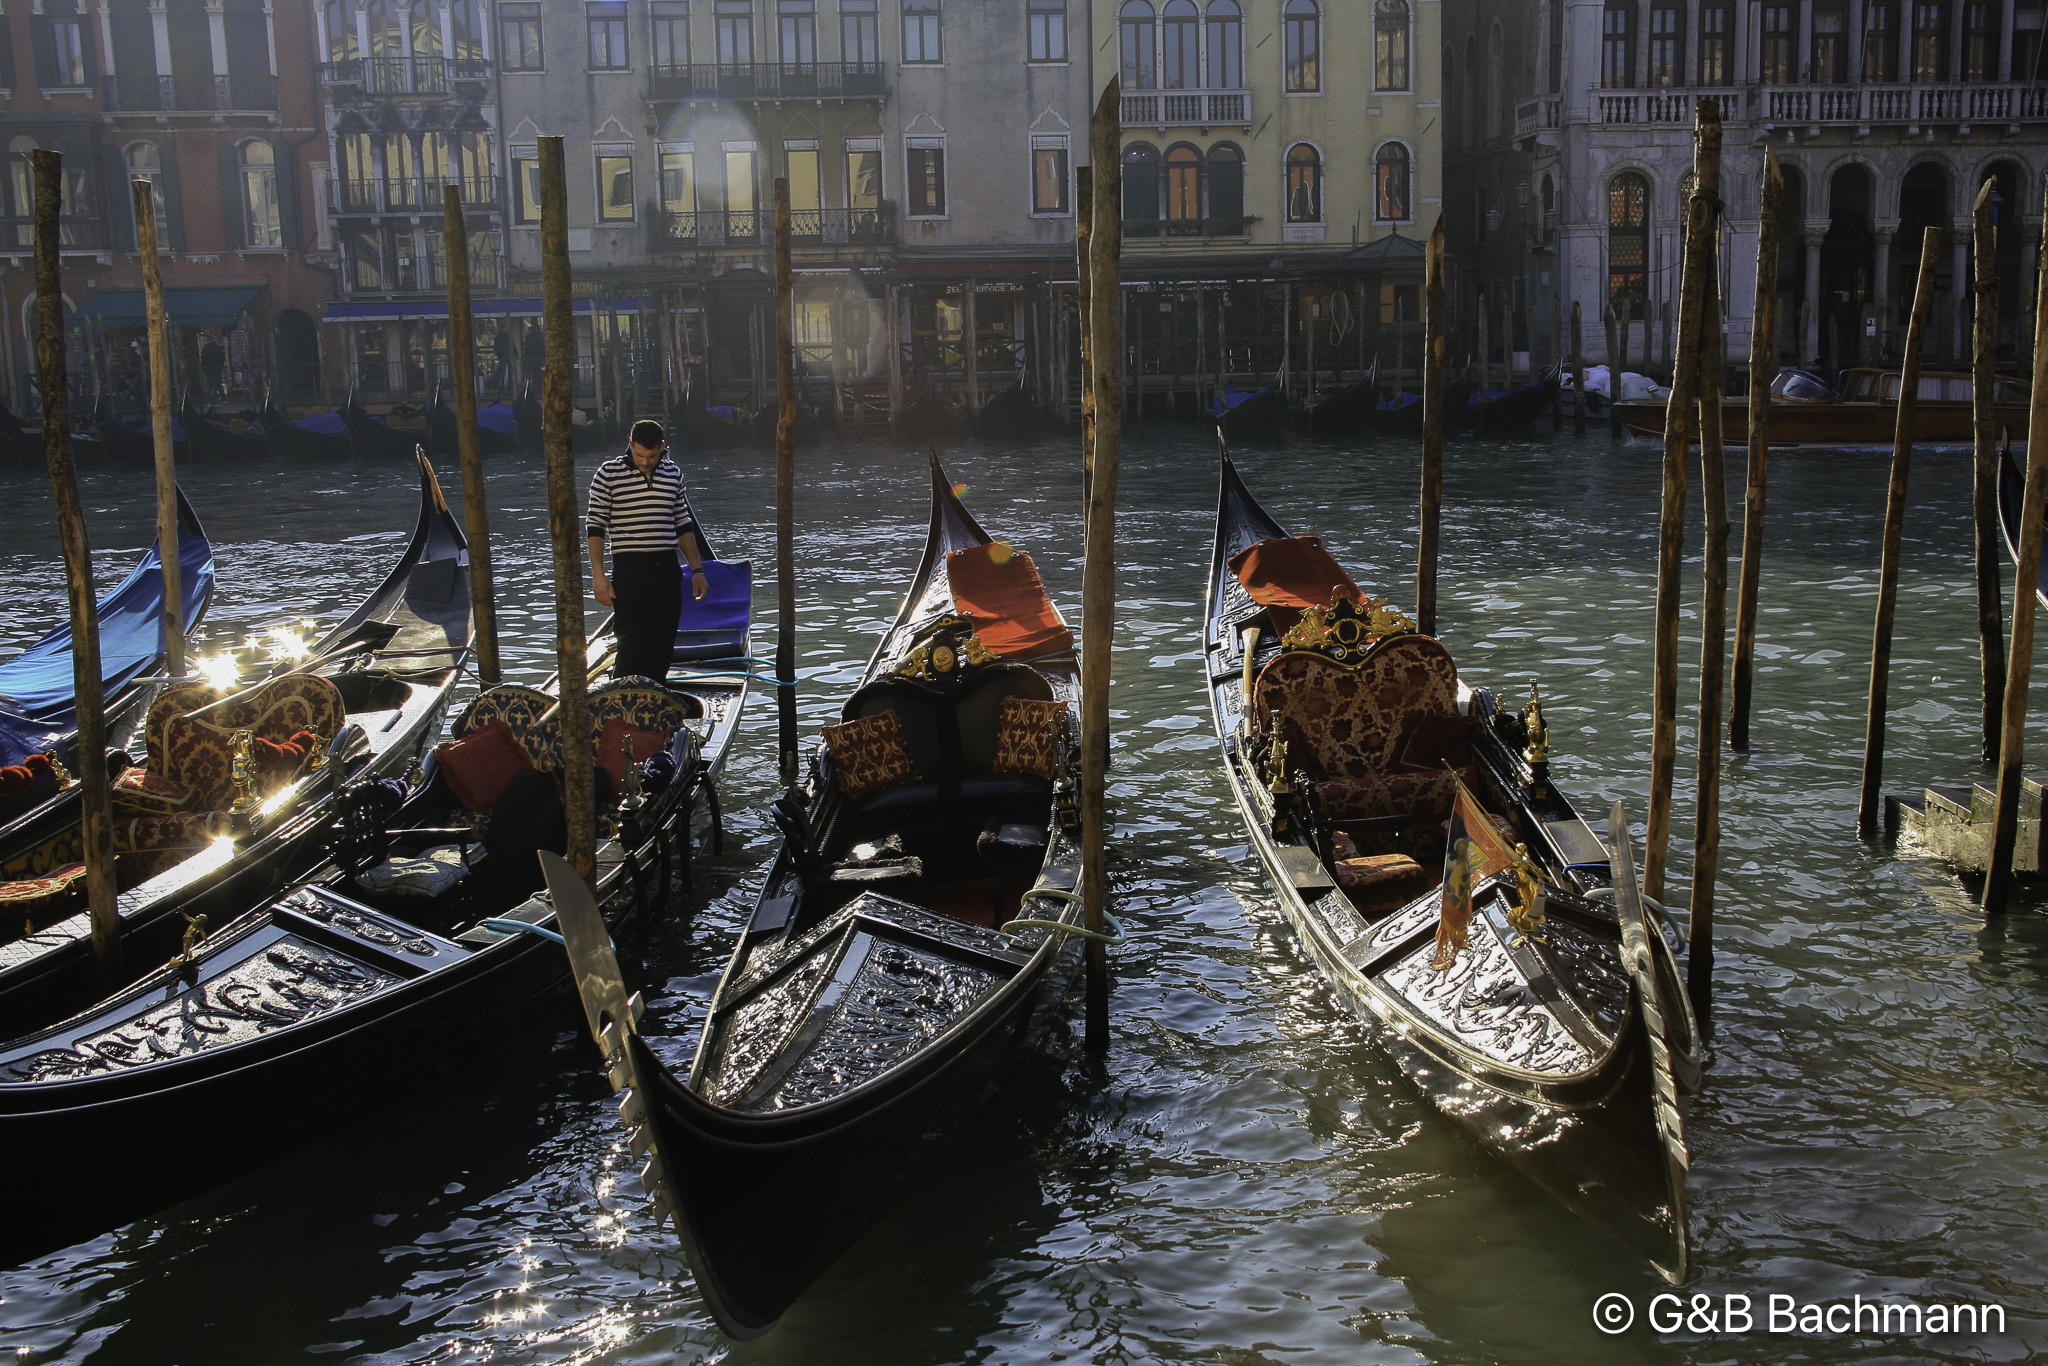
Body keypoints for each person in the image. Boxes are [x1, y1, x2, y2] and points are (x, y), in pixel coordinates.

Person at [585, 419, 706, 686]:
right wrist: (598, 576)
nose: (645, 461)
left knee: (662, 644)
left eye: (651, 456)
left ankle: (654, 697)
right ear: (630, 445)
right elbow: (595, 527)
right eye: (639, 454)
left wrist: (697, 570)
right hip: (629, 569)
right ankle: (623, 699)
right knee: (630, 644)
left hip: (667, 568)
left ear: (662, 448)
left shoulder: (673, 473)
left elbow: (683, 525)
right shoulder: (608, 474)